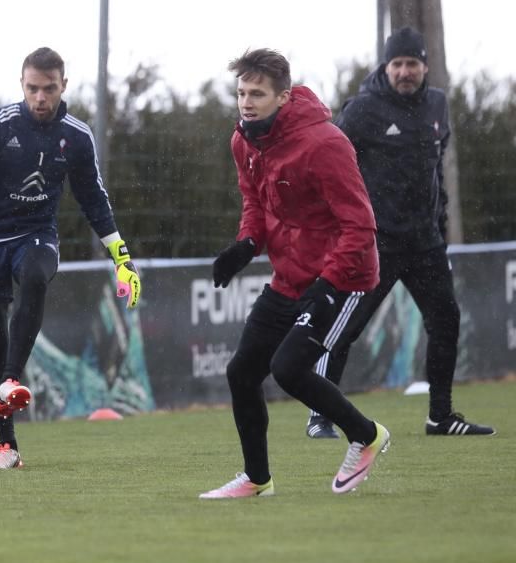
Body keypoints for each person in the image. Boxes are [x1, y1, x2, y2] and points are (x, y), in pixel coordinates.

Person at [0, 47, 141, 470]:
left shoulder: (77, 137)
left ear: (64, 86)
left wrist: (122, 257)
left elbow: (95, 200)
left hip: (35, 234)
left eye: (50, 89)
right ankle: (8, 448)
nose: (41, 98)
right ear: (22, 85)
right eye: (33, 88)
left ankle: (11, 379)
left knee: (36, 275)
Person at [200, 48, 389, 499]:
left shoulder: (326, 144)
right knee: (243, 372)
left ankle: (366, 435)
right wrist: (247, 243)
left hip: (345, 277)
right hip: (289, 275)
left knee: (288, 369)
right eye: (242, 93)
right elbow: (255, 203)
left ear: (284, 97)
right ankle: (257, 479)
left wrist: (328, 286)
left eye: (258, 94)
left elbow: (360, 225)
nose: (247, 103)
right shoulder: (243, 140)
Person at [305, 27, 495, 439]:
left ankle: (440, 417)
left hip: (424, 241)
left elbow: (436, 173)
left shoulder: (438, 105)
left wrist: (439, 224)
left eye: (412, 63)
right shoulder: (362, 109)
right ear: (385, 67)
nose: (405, 71)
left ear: (425, 66)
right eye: (398, 64)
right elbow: (328, 163)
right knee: (345, 327)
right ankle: (319, 416)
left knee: (446, 319)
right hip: (375, 242)